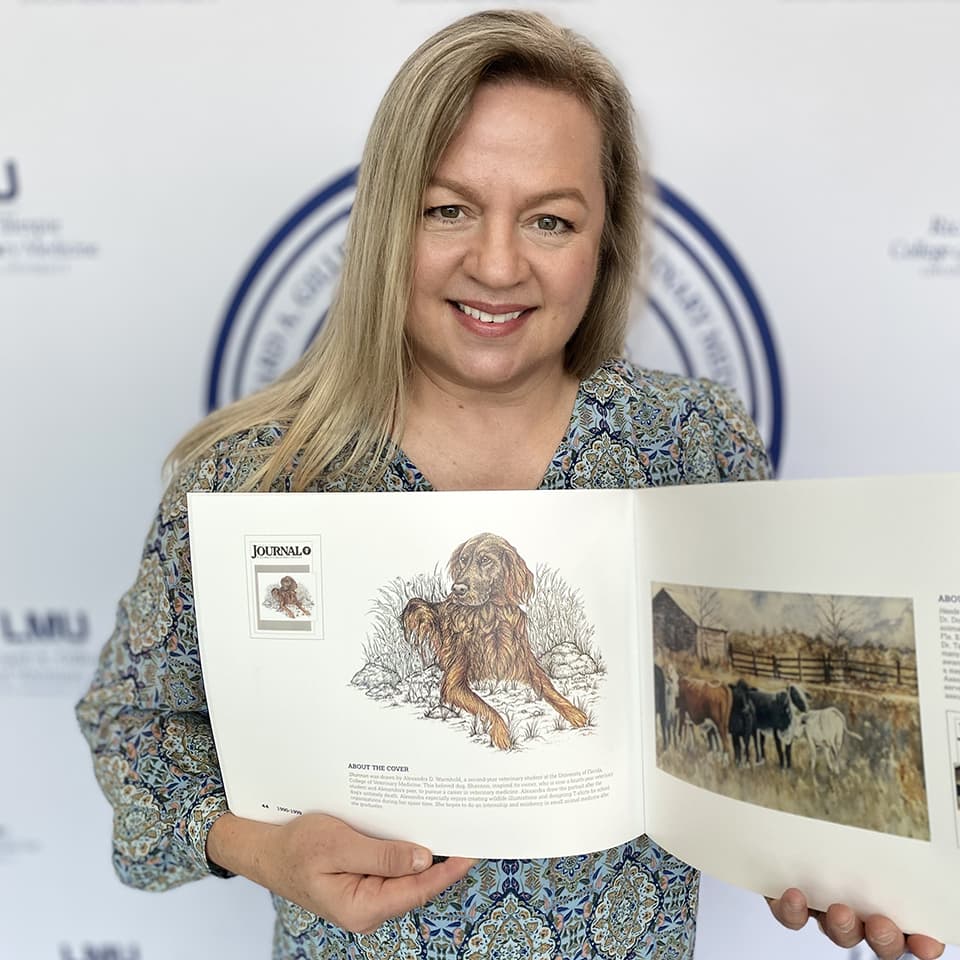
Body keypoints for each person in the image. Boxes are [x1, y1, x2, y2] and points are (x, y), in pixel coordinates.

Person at [75, 9, 944, 960]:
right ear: (386, 221)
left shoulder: (691, 442)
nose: (496, 264)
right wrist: (261, 847)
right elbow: (134, 722)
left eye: (550, 219)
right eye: (449, 208)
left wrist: (842, 857)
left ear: (603, 240)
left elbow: (753, 709)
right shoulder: (253, 473)